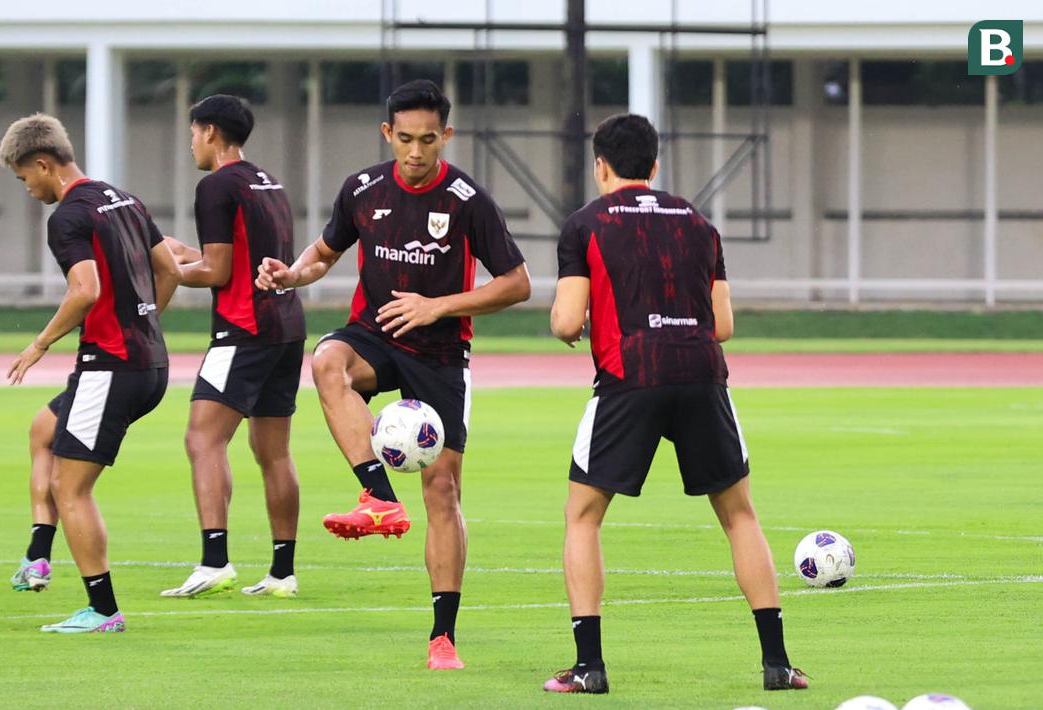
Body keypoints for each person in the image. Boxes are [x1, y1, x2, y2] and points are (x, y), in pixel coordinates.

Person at [256, 79, 530, 670]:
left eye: (427, 140)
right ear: (387, 133)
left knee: (443, 490)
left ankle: (443, 637)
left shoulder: (467, 200)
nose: (414, 151)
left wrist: (438, 306)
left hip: (439, 353)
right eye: (404, 138)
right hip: (376, 335)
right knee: (327, 360)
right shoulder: (362, 188)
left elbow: (517, 284)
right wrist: (290, 274)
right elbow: (325, 254)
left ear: (446, 137)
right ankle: (378, 495)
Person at [542, 114, 807, 694]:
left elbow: (565, 319)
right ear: (656, 166)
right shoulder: (698, 222)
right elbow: (725, 324)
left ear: (600, 166)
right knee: (739, 515)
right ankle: (778, 664)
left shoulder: (585, 223)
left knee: (583, 517)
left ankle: (589, 668)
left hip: (629, 375)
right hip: (702, 374)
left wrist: (574, 326)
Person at [0, 113, 180, 633]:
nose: (27, 188)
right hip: (146, 362)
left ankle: (103, 610)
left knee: (70, 487)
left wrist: (39, 343)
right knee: (43, 430)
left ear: (43, 163)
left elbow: (85, 290)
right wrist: (145, 321)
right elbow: (169, 270)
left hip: (111, 367)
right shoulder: (124, 198)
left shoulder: (68, 218)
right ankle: (38, 554)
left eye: (24, 177)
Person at [159, 94, 306, 600]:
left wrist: (167, 268)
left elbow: (218, 272)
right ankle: (282, 574)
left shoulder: (215, 185)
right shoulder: (268, 181)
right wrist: (187, 254)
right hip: (286, 328)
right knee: (273, 451)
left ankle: (214, 561)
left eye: (193, 133)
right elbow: (235, 256)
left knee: (202, 439)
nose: (192, 144)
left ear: (211, 132)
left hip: (242, 330)